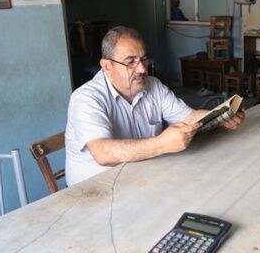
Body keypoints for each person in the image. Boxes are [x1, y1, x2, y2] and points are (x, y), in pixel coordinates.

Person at [65, 26, 244, 186]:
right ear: (107, 66)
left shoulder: (153, 85)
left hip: (141, 176)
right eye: (130, 62)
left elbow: (188, 117)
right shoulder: (86, 98)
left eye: (144, 60)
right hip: (93, 190)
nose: (142, 69)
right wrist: (161, 144)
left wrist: (221, 115)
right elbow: (103, 153)